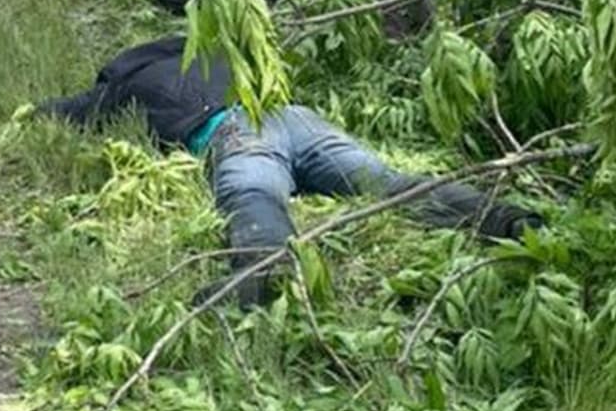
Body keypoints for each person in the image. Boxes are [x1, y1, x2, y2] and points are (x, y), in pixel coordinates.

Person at [38, 33, 542, 307]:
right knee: (384, 181)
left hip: (233, 128)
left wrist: (33, 112)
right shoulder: (213, 48)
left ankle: (263, 268)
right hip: (295, 115)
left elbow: (66, 111)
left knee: (251, 192)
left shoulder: (121, 85)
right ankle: (507, 220)